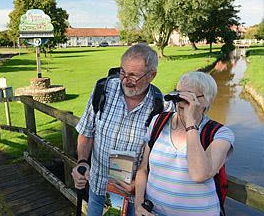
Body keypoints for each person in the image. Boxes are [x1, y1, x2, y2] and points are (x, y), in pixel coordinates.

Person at [72, 43, 172, 216]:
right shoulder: (103, 90)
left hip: (134, 199)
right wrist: (82, 162)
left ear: (152, 75)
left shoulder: (161, 108)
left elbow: (163, 160)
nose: (125, 80)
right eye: (123, 72)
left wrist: (138, 184)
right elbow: (86, 133)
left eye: (133, 75)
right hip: (98, 189)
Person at [135, 71, 235, 216]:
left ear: (206, 101)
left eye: (188, 97)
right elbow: (143, 169)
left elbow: (199, 174)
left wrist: (190, 124)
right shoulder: (158, 122)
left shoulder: (220, 133)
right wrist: (139, 203)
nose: (180, 101)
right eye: (178, 94)